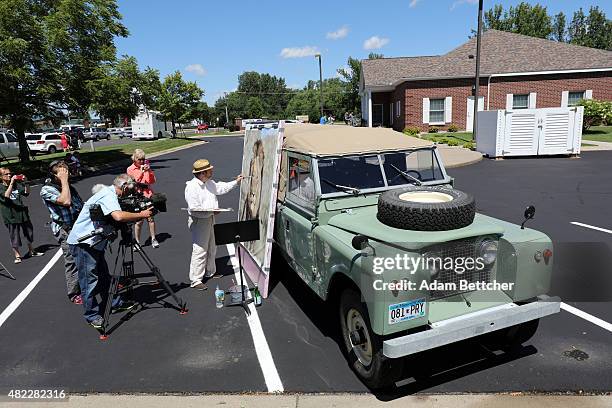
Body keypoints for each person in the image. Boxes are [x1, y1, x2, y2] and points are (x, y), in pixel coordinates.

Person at [67, 174, 153, 328]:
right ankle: (92, 315)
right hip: (84, 243)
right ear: (125, 187)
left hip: (95, 243)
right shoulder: (108, 195)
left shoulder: (110, 193)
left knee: (104, 277)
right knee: (89, 281)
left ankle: (113, 303)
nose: (131, 193)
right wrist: (142, 214)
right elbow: (118, 216)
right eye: (131, 190)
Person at [184, 159, 243, 290]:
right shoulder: (192, 187)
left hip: (210, 218)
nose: (212, 171)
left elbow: (221, 188)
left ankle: (210, 271)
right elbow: (194, 209)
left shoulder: (209, 183)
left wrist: (236, 182)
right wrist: (211, 212)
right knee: (200, 249)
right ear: (202, 173)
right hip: (199, 221)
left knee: (212, 245)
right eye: (209, 170)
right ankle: (196, 280)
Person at [40, 161, 84, 304]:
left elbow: (79, 205)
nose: (66, 173)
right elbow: (65, 201)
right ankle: (74, 292)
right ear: (54, 174)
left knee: (89, 254)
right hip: (64, 229)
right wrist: (64, 181)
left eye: (67, 171)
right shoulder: (47, 189)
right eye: (62, 171)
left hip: (77, 226)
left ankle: (100, 281)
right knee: (71, 260)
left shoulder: (68, 187)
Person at [0, 168, 43, 263]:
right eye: (6, 174)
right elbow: (6, 196)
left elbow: (26, 193)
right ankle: (17, 255)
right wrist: (11, 183)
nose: (9, 175)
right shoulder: (1, 187)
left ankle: (32, 250)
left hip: (22, 213)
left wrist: (26, 182)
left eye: (10, 173)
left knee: (28, 232)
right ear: (1, 177)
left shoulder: (16, 185)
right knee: (14, 235)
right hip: (10, 216)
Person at [126, 149, 158, 248]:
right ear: (134, 159)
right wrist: (141, 171)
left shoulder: (146, 167)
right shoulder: (130, 169)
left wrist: (149, 171)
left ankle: (153, 238)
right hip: (137, 195)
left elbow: (151, 181)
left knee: (150, 218)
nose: (141, 161)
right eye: (139, 159)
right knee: (139, 221)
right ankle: (137, 242)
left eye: (143, 159)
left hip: (147, 194)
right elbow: (135, 181)